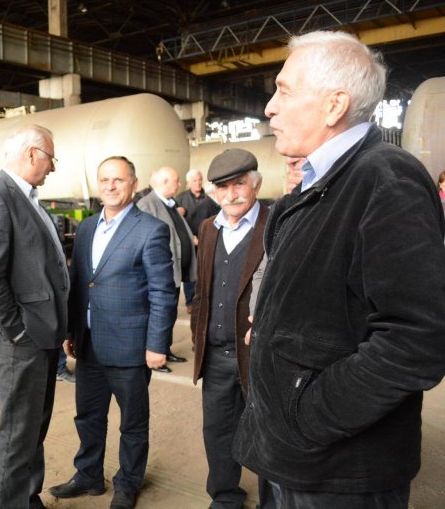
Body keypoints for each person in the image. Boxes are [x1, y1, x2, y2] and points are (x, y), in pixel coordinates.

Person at [232, 31, 445, 508]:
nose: (269, 107)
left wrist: (310, 415)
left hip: (338, 469)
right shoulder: (323, 181)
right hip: (295, 453)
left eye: (283, 91)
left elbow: (417, 339)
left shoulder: (384, 178)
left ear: (334, 106)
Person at [49, 156, 176, 509]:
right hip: (89, 344)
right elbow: (79, 282)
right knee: (88, 416)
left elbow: (162, 292)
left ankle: (127, 483)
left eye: (118, 180)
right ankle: (88, 475)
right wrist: (72, 330)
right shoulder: (87, 227)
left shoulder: (150, 229)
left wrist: (156, 344)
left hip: (130, 347)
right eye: (104, 179)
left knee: (132, 423)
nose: (110, 186)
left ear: (133, 183)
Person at [0, 124, 70, 509]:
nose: (53, 167)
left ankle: (28, 498)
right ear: (32, 154)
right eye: (51, 158)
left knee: (33, 430)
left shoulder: (27, 197)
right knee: (17, 435)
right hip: (22, 342)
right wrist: (16, 332)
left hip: (41, 336)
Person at [190, 149, 269, 509]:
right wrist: (198, 336)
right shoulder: (208, 228)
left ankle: (274, 501)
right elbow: (201, 289)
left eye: (239, 184)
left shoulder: (274, 225)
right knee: (218, 430)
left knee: (267, 431)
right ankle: (225, 496)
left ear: (256, 185)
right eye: (222, 187)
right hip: (216, 355)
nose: (231, 194)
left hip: (258, 355)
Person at [137, 166, 196, 369]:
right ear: (163, 182)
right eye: (176, 180)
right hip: (160, 273)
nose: (179, 184)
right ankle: (155, 352)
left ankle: (165, 349)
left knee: (169, 313)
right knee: (159, 313)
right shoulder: (147, 204)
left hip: (175, 272)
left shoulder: (170, 204)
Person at [176, 169, 221, 314]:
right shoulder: (181, 199)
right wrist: (189, 237)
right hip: (188, 242)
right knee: (190, 272)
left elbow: (217, 219)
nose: (198, 183)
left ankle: (202, 300)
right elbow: (175, 222)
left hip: (205, 241)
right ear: (189, 182)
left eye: (200, 179)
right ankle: (190, 302)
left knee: (204, 271)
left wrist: (206, 238)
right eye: (194, 180)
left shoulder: (209, 199)